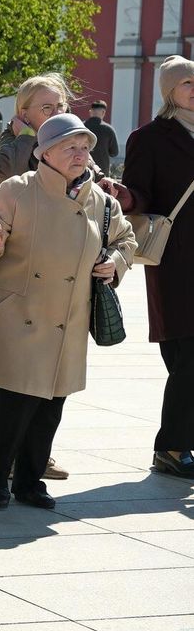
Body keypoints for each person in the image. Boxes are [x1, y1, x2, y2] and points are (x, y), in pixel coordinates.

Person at [0, 114, 135, 510]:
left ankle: (30, 480)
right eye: (69, 147)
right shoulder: (16, 191)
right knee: (15, 401)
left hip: (69, 315)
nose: (80, 155)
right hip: (19, 311)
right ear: (45, 153)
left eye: (85, 148)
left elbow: (126, 239)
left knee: (51, 405)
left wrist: (115, 262)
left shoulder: (101, 200)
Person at [111, 55, 194, 477]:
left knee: (186, 356)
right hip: (177, 257)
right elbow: (139, 195)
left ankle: (179, 443)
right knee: (184, 350)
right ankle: (173, 447)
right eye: (187, 83)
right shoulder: (150, 137)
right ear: (169, 91)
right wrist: (124, 197)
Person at [84, 100, 120, 176]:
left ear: (90, 112)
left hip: (83, 169)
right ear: (103, 112)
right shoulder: (108, 129)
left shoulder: (81, 127)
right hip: (102, 172)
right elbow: (114, 152)